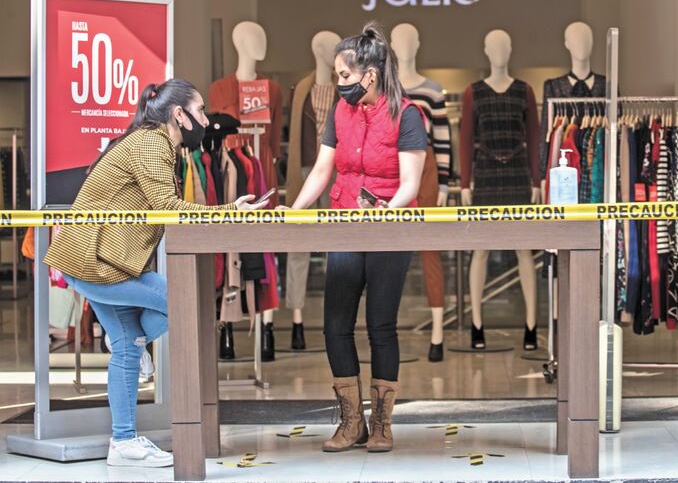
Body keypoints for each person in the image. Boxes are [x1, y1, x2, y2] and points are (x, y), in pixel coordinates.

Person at [43, 78, 265, 468]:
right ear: (179, 114)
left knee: (127, 346)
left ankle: (123, 442)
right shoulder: (152, 143)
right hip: (94, 261)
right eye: (200, 111)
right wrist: (229, 210)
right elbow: (167, 207)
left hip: (95, 259)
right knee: (184, 299)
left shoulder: (154, 143)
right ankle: (138, 345)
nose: (205, 120)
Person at [284, 23, 426, 453]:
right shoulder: (340, 113)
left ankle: (382, 424)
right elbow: (323, 170)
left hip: (388, 232)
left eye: (345, 75)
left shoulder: (407, 114)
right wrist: (294, 212)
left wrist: (386, 212)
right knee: (335, 326)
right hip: (344, 224)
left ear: (371, 74)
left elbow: (410, 184)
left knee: (381, 325)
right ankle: (352, 423)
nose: (340, 82)